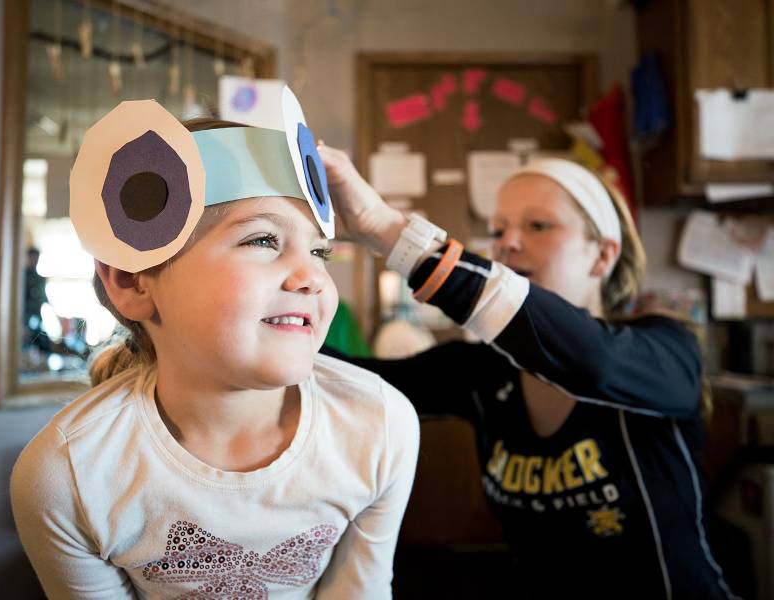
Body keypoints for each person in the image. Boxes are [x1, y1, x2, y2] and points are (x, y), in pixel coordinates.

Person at [10, 94, 419, 599]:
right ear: (132, 282)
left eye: (320, 252)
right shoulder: (67, 475)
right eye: (262, 240)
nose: (313, 276)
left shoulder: (379, 425)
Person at [317, 145, 740, 600]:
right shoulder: (482, 371)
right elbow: (352, 381)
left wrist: (389, 231)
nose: (507, 243)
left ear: (602, 256)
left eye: (538, 225)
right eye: (498, 230)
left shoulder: (665, 350)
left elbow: (591, 363)